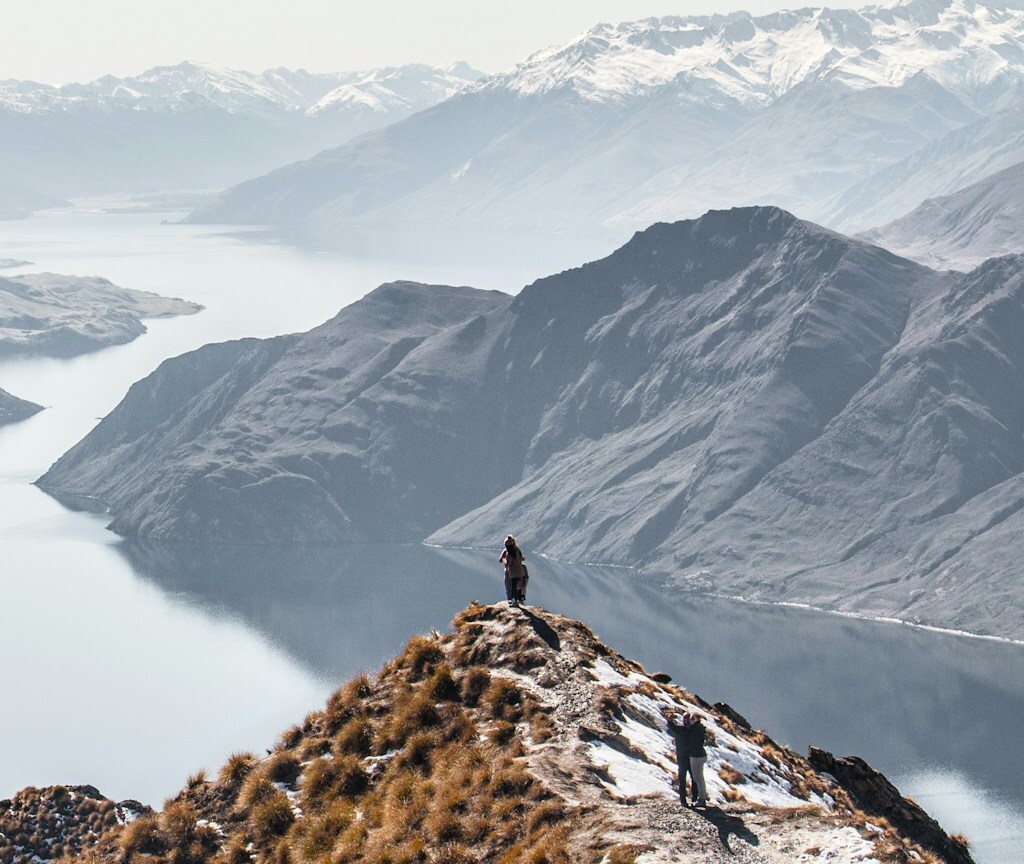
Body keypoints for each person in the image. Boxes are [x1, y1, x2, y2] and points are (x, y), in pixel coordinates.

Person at [667, 711, 708, 807]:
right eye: (685, 718)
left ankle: (695, 798)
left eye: (688, 718)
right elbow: (671, 726)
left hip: (691, 758)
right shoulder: (681, 729)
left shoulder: (693, 730)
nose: (687, 720)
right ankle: (683, 800)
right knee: (683, 779)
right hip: (683, 759)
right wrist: (669, 720)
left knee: (695, 778)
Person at [499, 534, 527, 607]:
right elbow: (523, 558)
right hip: (520, 572)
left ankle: (514, 601)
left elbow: (508, 564)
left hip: (513, 573)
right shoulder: (517, 550)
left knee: (513, 587)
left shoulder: (509, 554)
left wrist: (504, 560)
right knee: (518, 587)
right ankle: (518, 600)